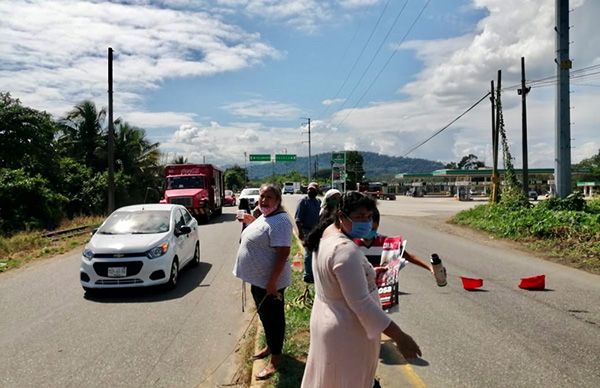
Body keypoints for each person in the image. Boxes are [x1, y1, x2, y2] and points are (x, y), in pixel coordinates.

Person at [301, 191, 421, 388]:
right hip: (347, 330)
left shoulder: (326, 235)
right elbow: (362, 304)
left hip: (328, 321)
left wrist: (367, 272)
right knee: (350, 381)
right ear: (341, 216)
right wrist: (400, 336)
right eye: (358, 217)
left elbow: (337, 276)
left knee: (332, 379)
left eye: (368, 216)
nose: (365, 222)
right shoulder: (345, 249)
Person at [232, 183, 292, 380]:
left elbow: (283, 253)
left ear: (278, 200)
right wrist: (252, 221)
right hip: (260, 281)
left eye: (269, 197)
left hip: (269, 284)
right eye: (262, 196)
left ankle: (275, 360)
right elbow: (264, 232)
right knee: (266, 318)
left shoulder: (281, 221)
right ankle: (269, 346)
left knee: (274, 320)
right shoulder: (266, 216)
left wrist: (273, 282)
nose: (264, 200)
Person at [354, 207, 434, 272]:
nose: (370, 232)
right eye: (367, 229)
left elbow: (408, 257)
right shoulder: (352, 243)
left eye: (373, 229)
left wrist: (429, 268)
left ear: (378, 225)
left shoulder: (387, 243)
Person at [295, 182, 321, 283]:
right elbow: (298, 219)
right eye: (310, 189)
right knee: (309, 253)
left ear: (317, 191)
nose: (311, 191)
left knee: (317, 252)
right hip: (307, 230)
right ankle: (308, 275)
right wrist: (300, 233)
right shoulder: (303, 201)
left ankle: (314, 272)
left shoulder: (318, 201)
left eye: (313, 189)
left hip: (316, 231)